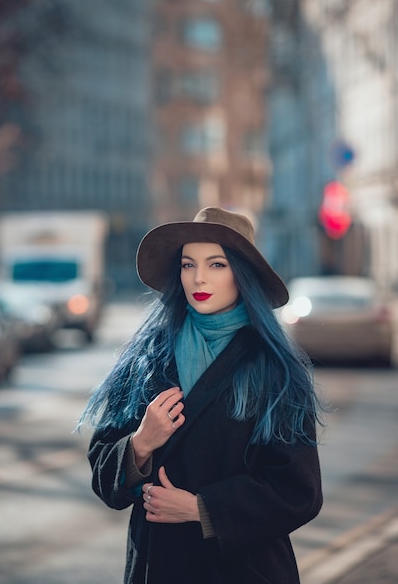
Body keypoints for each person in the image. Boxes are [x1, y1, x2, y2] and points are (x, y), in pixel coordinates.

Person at [79, 206, 324, 584]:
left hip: (243, 571)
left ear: (242, 275)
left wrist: (202, 508)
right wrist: (140, 444)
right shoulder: (148, 358)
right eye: (188, 264)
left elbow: (299, 490)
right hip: (156, 566)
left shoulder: (274, 367)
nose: (198, 278)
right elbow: (103, 477)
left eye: (217, 265)